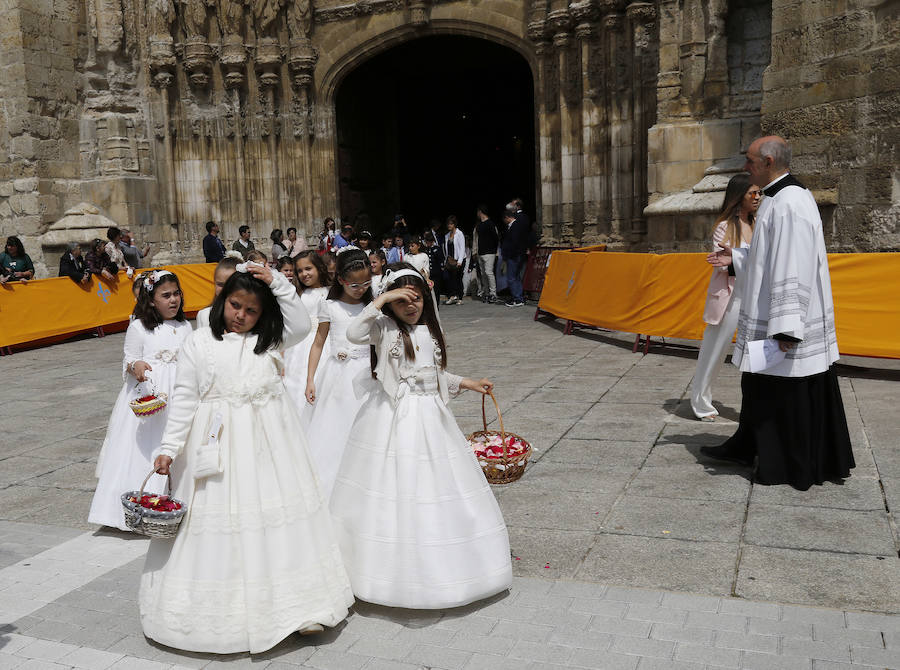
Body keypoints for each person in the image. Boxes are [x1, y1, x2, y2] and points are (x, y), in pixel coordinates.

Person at [141, 263, 353, 653]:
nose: (240, 315)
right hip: (217, 447)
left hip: (270, 448)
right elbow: (185, 400)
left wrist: (280, 283)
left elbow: (303, 326)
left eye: (251, 310)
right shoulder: (199, 341)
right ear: (223, 301)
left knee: (277, 520)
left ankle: (298, 607)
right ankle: (226, 611)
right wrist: (168, 449)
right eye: (235, 305)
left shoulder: (270, 340)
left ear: (263, 314)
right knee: (223, 525)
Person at [331, 265, 512, 609]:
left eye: (416, 299)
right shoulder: (383, 329)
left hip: (431, 416)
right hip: (395, 416)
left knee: (438, 484)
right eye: (403, 301)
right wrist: (383, 299)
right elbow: (354, 332)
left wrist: (467, 383)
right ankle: (385, 570)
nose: (410, 306)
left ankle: (451, 565)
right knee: (397, 484)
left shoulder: (429, 331)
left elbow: (435, 374)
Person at [703, 136, 854, 490]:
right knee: (756, 385)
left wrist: (787, 328)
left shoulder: (791, 203)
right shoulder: (775, 198)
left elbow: (793, 265)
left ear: (769, 161)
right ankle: (747, 446)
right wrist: (737, 258)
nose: (746, 166)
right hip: (769, 317)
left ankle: (787, 462)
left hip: (785, 321)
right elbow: (768, 256)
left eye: (750, 160)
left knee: (785, 392)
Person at [88, 270, 192, 529]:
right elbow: (128, 357)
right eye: (165, 295)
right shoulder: (140, 326)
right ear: (151, 299)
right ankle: (138, 509)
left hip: (179, 393)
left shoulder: (186, 326)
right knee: (145, 449)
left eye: (176, 294)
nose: (173, 300)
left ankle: (176, 501)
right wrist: (135, 365)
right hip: (151, 396)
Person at [303, 247, 379, 498]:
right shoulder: (331, 306)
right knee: (336, 431)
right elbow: (318, 342)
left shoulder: (373, 304)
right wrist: (310, 379)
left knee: (368, 427)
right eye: (354, 285)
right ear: (341, 281)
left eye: (366, 283)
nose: (361, 289)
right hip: (338, 376)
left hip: (368, 374)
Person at [690, 174, 761, 421]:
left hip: (755, 297)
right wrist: (737, 261)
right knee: (714, 351)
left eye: (759, 193)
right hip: (730, 297)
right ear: (738, 196)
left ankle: (757, 406)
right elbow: (721, 265)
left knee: (758, 354)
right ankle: (701, 403)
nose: (757, 197)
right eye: (752, 193)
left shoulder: (760, 223)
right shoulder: (725, 226)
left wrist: (739, 258)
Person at [283, 250, 331, 414]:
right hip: (302, 344)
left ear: (319, 268)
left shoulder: (331, 291)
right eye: (300, 271)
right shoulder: (298, 294)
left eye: (308, 269)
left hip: (327, 342)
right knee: (297, 382)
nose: (304, 274)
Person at [196, 253, 242, 328]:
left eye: (231, 284)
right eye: (220, 285)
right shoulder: (204, 315)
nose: (225, 289)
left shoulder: (246, 316)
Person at [500, 207, 527, 307]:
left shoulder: (515, 226)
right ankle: (519, 297)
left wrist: (508, 255)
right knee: (516, 277)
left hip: (514, 256)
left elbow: (514, 243)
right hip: (517, 255)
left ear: (507, 218)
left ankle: (517, 298)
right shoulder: (517, 225)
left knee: (511, 278)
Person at [473, 204, 499, 303]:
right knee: (483, 274)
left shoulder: (491, 224)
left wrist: (494, 251)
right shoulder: (479, 226)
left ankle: (493, 293)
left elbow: (496, 238)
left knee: (489, 272)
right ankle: (487, 293)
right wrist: (475, 251)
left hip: (489, 252)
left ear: (480, 212)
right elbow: (477, 239)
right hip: (481, 252)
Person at [443, 215, 466, 305]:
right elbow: (446, 248)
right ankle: (452, 296)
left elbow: (462, 248)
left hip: (459, 260)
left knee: (458, 278)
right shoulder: (447, 235)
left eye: (451, 224)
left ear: (454, 224)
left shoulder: (459, 234)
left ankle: (460, 297)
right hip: (450, 260)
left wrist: (460, 261)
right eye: (448, 224)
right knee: (448, 278)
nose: (449, 226)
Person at [423, 231, 444, 302]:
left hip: (436, 273)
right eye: (427, 241)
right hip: (428, 274)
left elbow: (441, 260)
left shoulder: (437, 249)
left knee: (436, 290)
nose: (427, 243)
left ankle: (436, 304)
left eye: (429, 241)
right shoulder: (425, 250)